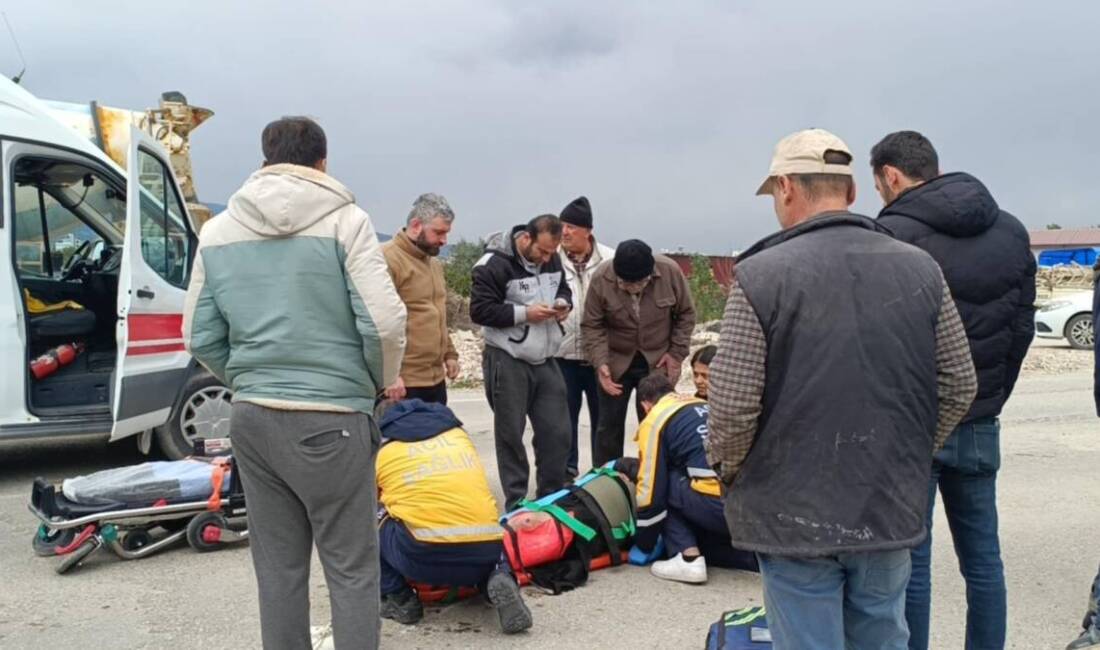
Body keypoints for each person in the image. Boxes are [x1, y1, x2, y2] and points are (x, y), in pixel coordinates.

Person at [705, 128, 978, 650]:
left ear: (786, 187)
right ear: (851, 192)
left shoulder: (759, 276)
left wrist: (733, 471)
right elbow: (959, 383)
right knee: (882, 634)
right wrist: (907, 454)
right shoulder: (921, 269)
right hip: (887, 502)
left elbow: (733, 408)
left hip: (790, 514)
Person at [183, 116, 407, 650]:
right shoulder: (347, 223)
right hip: (333, 420)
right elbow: (385, 322)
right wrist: (374, 382)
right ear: (322, 163)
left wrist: (248, 377)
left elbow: (197, 333)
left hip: (253, 418)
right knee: (351, 568)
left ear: (264, 159)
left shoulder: (217, 230)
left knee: (278, 570)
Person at [871, 130, 1036, 650]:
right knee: (984, 559)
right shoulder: (1009, 230)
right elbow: (1021, 327)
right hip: (981, 414)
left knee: (911, 565)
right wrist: (991, 398)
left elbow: (880, 339)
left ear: (891, 176)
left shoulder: (891, 233)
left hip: (913, 421)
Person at [374, 399, 532, 634]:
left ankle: (399, 598)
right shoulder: (459, 437)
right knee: (482, 519)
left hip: (422, 559)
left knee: (369, 521)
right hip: (484, 554)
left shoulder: (383, 451)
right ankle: (499, 576)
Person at [470, 214, 573, 510]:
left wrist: (564, 304)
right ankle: (517, 503)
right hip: (507, 357)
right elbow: (480, 310)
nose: (547, 258)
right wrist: (525, 314)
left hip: (545, 356)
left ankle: (551, 497)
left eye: (553, 252)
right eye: (542, 251)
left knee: (557, 431)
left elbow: (562, 287)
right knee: (510, 434)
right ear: (526, 239)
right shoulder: (493, 265)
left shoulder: (552, 259)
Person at [616, 373, 756, 584]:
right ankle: (754, 558)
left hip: (718, 505)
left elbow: (650, 489)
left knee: (663, 483)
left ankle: (687, 557)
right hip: (750, 504)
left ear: (646, 405)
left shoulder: (656, 419)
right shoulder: (699, 403)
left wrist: (644, 542)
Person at [582, 239, 695, 467]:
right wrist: (600, 362)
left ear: (649, 274)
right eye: (625, 284)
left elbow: (686, 315)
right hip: (615, 362)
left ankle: (656, 478)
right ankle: (607, 480)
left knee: (655, 424)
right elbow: (592, 325)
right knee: (608, 428)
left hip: (657, 361)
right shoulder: (601, 278)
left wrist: (675, 354)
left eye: (637, 283)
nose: (631, 288)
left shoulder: (670, 272)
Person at [555, 196, 615, 477]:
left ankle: (599, 476)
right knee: (562, 421)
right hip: (561, 355)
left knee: (603, 421)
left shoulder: (610, 259)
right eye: (561, 225)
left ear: (587, 230)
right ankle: (567, 475)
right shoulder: (551, 259)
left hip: (600, 357)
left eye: (571, 227)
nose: (564, 232)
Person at [383, 193, 461, 405]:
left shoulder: (434, 264)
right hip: (402, 384)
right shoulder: (387, 259)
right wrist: (388, 374)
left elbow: (437, 313)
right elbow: (378, 322)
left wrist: (450, 355)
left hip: (435, 381)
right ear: (416, 225)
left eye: (446, 233)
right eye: (439, 232)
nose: (444, 240)